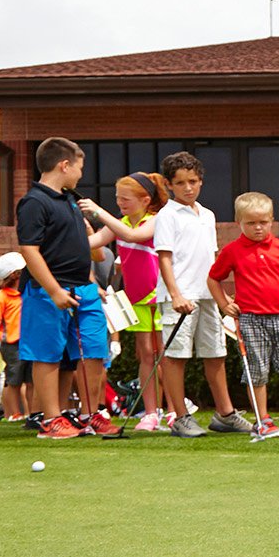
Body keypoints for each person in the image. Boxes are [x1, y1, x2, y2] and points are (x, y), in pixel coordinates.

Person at [15, 138, 120, 439]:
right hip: (49, 291)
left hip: (84, 290)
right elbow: (29, 250)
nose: (80, 174)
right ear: (64, 164)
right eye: (79, 167)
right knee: (47, 354)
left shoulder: (70, 199)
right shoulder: (34, 202)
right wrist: (53, 291)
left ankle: (90, 415)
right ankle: (51, 421)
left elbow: (79, 246)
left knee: (94, 351)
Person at [206, 192, 279, 439]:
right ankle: (263, 420)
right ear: (239, 222)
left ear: (272, 220)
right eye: (251, 223)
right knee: (256, 370)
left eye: (263, 222)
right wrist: (223, 304)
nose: (258, 228)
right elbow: (213, 278)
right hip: (250, 319)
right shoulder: (232, 250)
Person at [152, 151, 248, 438]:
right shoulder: (167, 215)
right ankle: (180, 417)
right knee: (176, 357)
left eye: (193, 181)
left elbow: (213, 260)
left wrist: (222, 297)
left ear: (201, 181)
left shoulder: (207, 214)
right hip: (179, 299)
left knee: (216, 353)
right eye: (180, 183)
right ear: (170, 185)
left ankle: (225, 414)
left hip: (207, 296)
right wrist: (175, 294)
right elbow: (165, 258)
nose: (188, 188)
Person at [82, 172, 171, 431]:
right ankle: (151, 413)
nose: (120, 203)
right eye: (117, 198)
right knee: (145, 354)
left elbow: (135, 236)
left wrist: (98, 212)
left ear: (145, 200)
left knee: (165, 357)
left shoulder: (156, 220)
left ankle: (175, 410)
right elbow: (93, 242)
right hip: (136, 299)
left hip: (159, 296)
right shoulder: (118, 224)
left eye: (125, 199)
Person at [0, 252, 28, 420]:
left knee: (29, 381)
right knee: (14, 381)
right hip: (12, 345)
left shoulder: (28, 292)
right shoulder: (1, 296)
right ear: (15, 274)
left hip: (29, 341)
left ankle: (30, 414)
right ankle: (13, 413)